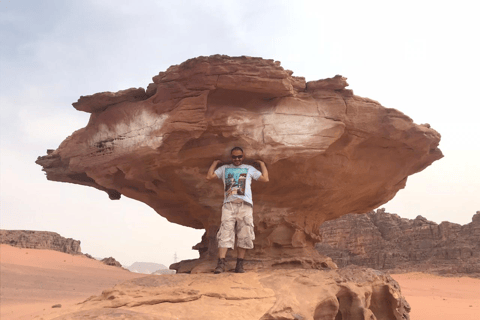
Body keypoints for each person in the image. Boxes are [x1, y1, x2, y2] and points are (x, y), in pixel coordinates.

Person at [206, 147, 269, 273]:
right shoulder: (225, 169)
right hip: (229, 205)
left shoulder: (249, 169)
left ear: (243, 156)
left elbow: (265, 179)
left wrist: (262, 164)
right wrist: (214, 163)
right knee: (225, 233)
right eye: (234, 157)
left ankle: (239, 265)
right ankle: (221, 263)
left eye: (239, 156)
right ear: (231, 157)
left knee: (245, 234)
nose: (237, 159)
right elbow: (209, 177)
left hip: (245, 206)